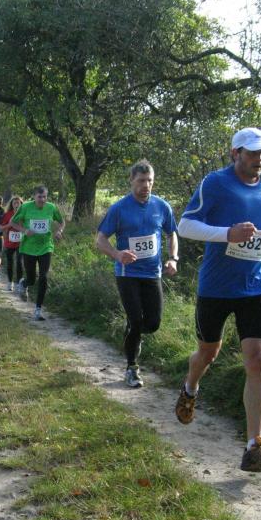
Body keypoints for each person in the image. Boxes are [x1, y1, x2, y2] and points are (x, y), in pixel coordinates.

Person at [175, 127, 261, 472]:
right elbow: (185, 226)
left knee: (258, 360)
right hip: (216, 288)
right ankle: (190, 387)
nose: (260, 159)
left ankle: (255, 446)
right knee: (207, 353)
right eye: (252, 153)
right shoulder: (215, 183)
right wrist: (228, 233)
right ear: (235, 153)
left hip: (255, 287)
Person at [96, 160, 178, 388]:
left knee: (153, 323)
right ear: (131, 181)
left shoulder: (162, 206)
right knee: (135, 320)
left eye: (150, 180)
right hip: (127, 273)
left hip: (152, 273)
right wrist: (117, 254)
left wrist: (173, 258)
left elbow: (172, 233)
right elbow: (100, 240)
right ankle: (132, 368)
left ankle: (133, 333)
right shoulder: (119, 208)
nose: (146, 185)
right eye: (141, 181)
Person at [8, 185, 65, 321]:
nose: (42, 199)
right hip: (28, 248)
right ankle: (24, 283)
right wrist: (24, 230)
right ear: (34, 196)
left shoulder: (51, 207)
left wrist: (59, 231)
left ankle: (38, 309)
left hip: (46, 247)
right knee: (32, 279)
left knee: (44, 277)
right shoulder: (25, 207)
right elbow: (12, 222)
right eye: (40, 197)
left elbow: (62, 222)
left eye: (45, 197)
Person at [0, 195, 24, 292]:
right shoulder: (7, 214)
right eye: (15, 203)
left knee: (19, 262)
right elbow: (1, 228)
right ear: (12, 204)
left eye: (18, 203)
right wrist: (10, 224)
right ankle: (10, 282)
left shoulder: (25, 214)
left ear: (21, 204)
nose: (17, 204)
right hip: (9, 242)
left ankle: (19, 284)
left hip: (21, 242)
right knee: (10, 263)